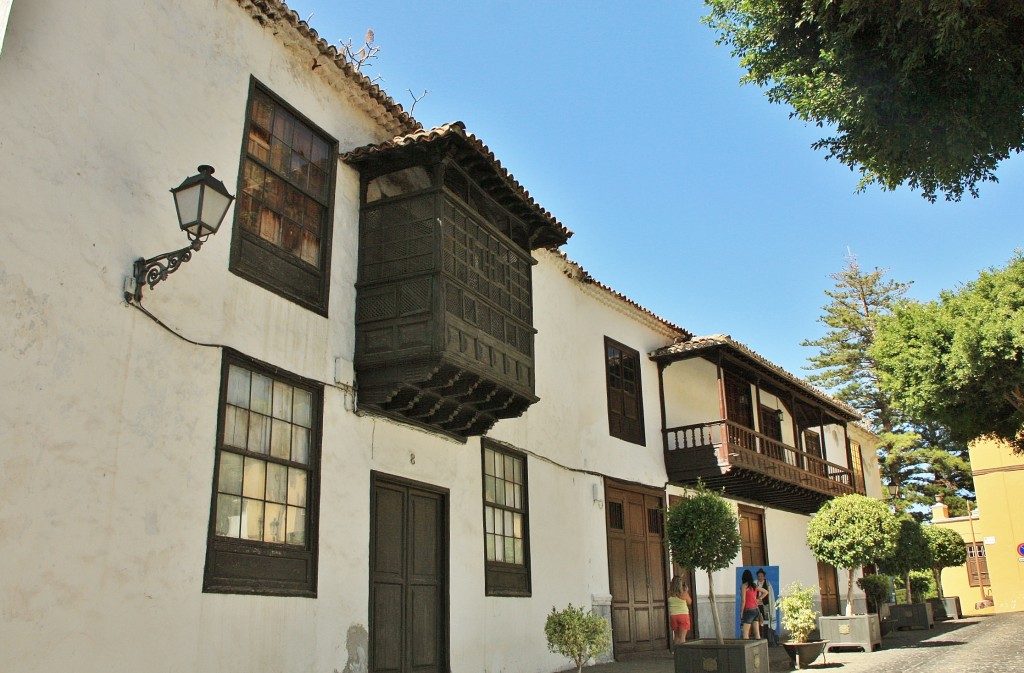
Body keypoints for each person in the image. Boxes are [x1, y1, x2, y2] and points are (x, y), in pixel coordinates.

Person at [740, 573, 768, 639]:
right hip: (756, 609)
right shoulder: (754, 585)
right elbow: (766, 592)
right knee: (757, 632)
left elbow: (743, 600)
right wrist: (759, 599)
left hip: (749, 609)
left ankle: (746, 648)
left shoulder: (744, 586)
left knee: (745, 632)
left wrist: (741, 612)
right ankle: (759, 648)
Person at [755, 568, 778, 646]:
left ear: (764, 576)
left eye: (761, 576)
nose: (760, 578)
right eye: (758, 576)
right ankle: (759, 638)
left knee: (766, 622)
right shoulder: (755, 584)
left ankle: (768, 639)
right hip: (757, 606)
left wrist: (761, 599)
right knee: (758, 622)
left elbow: (770, 595)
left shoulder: (768, 584)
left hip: (766, 606)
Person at [668, 575, 693, 645]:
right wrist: (686, 591)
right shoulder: (683, 594)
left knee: (676, 636)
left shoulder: (669, 593)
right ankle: (682, 654)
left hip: (673, 616)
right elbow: (690, 602)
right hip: (683, 615)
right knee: (682, 637)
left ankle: (676, 652)